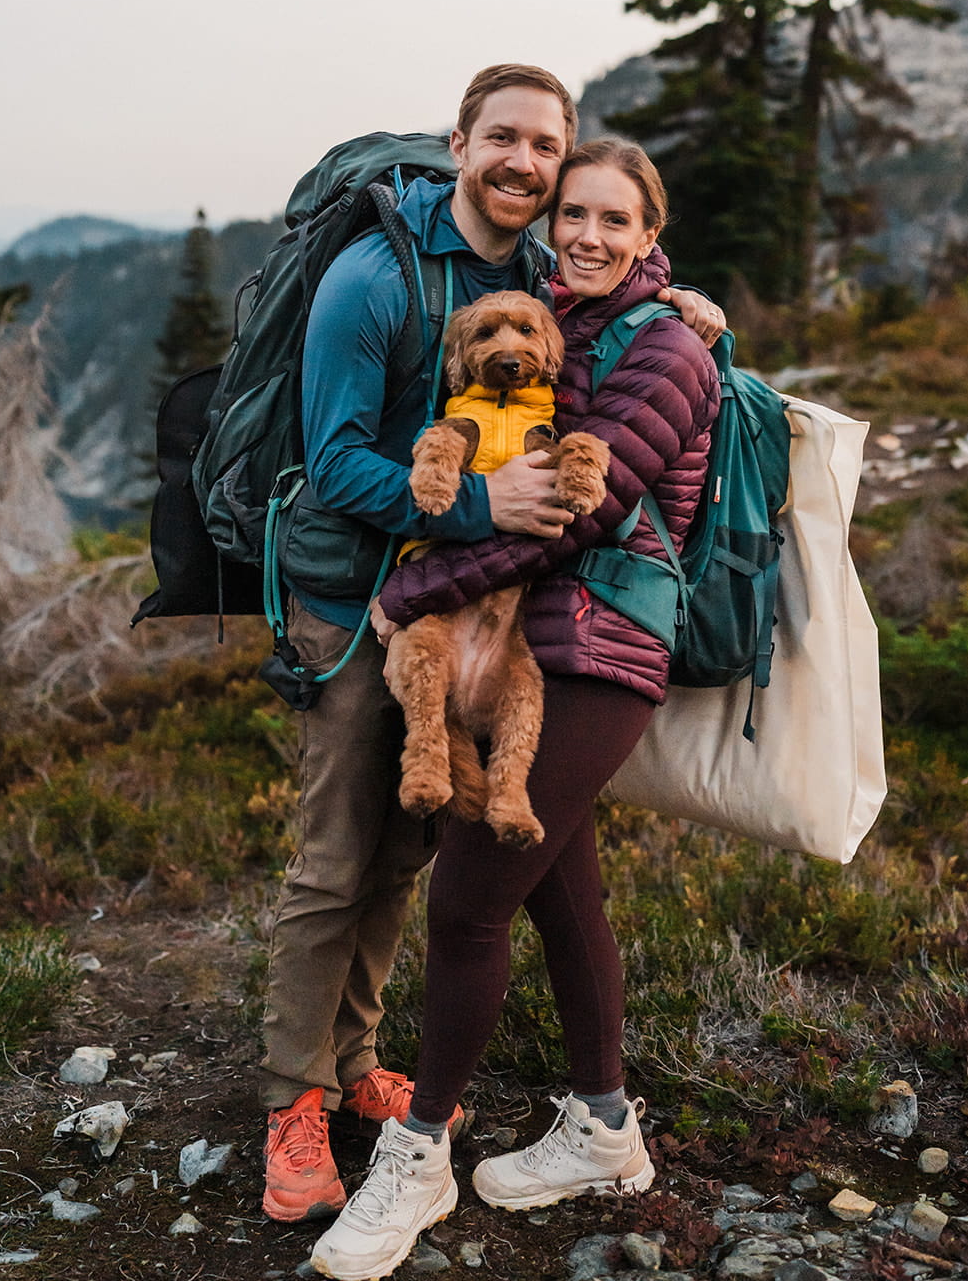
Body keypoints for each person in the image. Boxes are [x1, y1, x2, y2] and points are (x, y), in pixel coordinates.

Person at [259, 67, 725, 1224]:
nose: (526, 168)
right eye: (502, 141)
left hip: (463, 599)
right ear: (458, 141)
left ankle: (360, 1063)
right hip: (354, 590)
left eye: (544, 150)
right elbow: (336, 463)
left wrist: (690, 304)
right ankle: (290, 1102)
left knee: (411, 843)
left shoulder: (530, 274)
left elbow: (618, 303)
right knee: (336, 851)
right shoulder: (376, 274)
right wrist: (475, 516)